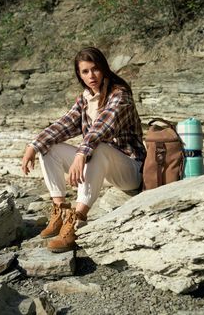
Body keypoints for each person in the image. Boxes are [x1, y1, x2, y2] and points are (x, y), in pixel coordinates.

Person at [21, 47, 146, 253]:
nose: (91, 76)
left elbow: (103, 127)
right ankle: (61, 211)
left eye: (95, 69)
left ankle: (77, 219)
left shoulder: (120, 95)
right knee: (49, 147)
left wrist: (81, 153)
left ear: (104, 69)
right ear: (79, 74)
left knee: (97, 147)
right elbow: (65, 124)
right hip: (100, 169)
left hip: (131, 171)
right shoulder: (86, 98)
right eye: (85, 72)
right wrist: (34, 145)